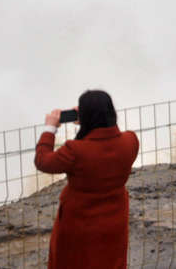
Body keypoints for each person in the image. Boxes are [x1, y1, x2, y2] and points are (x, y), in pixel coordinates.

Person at [34, 90, 139, 269]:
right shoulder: (131, 141)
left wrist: (49, 129)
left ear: (84, 116)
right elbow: (111, 139)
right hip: (115, 221)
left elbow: (43, 161)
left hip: (78, 224)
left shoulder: (74, 151)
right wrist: (91, 122)